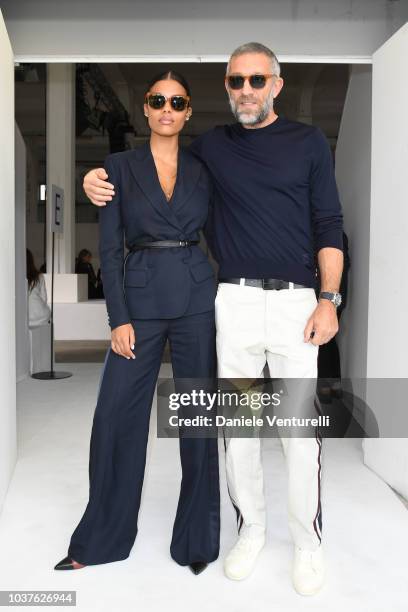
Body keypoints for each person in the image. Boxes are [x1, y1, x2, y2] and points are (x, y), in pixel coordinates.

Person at [83, 42, 344, 596]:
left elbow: (329, 222)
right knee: (238, 430)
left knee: (291, 432)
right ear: (225, 88)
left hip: (287, 304)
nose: (245, 90)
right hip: (234, 304)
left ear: (277, 83)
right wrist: (92, 181)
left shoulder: (303, 143)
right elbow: (135, 187)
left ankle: (296, 542)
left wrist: (330, 297)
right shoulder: (210, 149)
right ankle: (247, 530)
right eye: (235, 82)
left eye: (256, 80)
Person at [54, 70, 220, 576]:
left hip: (195, 299)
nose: (167, 108)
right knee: (115, 419)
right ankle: (101, 537)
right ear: (146, 109)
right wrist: (117, 317)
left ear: (188, 111)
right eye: (157, 100)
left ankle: (196, 540)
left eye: (177, 101)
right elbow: (108, 245)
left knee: (197, 418)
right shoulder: (118, 167)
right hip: (140, 300)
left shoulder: (203, 167)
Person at [26, 248, 51, 328]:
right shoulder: (39, 276)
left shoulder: (13, 277)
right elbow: (44, 298)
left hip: (24, 317)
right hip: (41, 316)